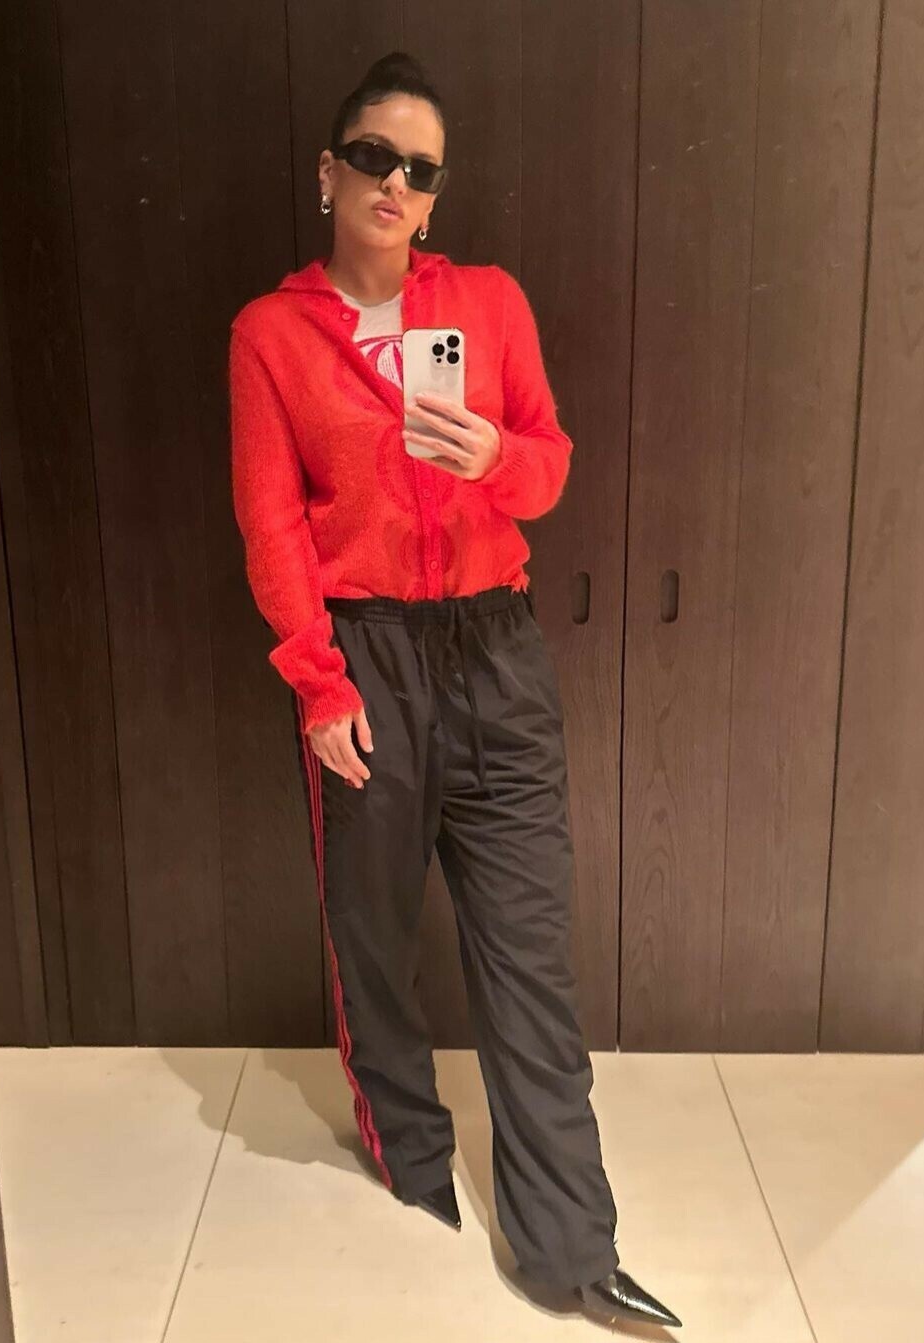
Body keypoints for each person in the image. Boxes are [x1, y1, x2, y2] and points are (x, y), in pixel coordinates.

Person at [228, 49, 682, 1330]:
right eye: (374, 156)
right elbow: (271, 522)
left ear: (436, 194)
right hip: (365, 654)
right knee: (372, 932)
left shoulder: (487, 303)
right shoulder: (271, 334)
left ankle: (569, 1244)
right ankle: (412, 1151)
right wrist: (319, 682)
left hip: (496, 649)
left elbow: (550, 463)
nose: (396, 183)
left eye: (421, 169)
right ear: (329, 173)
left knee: (529, 947)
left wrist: (495, 459)